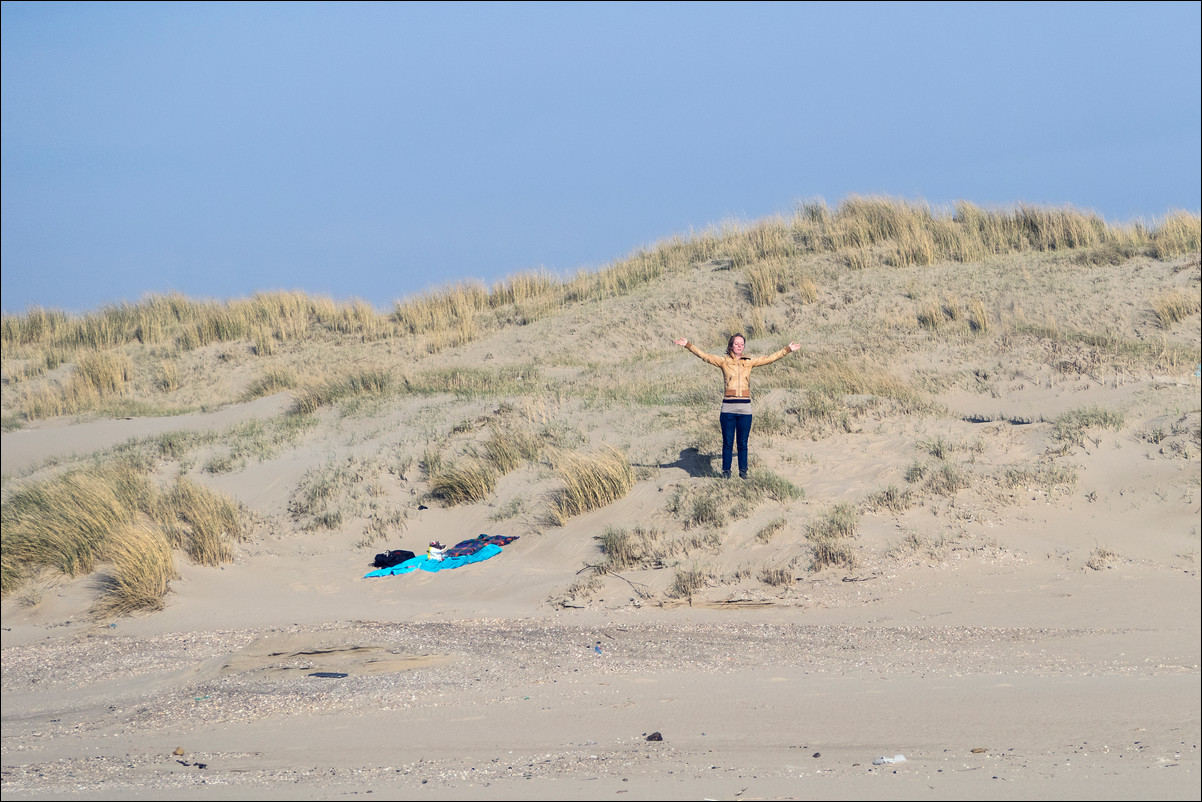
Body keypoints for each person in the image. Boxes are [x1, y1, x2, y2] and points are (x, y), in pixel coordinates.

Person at [673, 333, 801, 479]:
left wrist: (787, 350)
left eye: (742, 344)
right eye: (736, 343)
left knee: (743, 443)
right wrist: (688, 345)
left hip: (745, 409)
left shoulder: (749, 361)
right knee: (727, 442)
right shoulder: (723, 361)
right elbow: (705, 356)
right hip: (728, 408)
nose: (740, 346)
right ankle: (726, 472)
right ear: (731, 346)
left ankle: (743, 472)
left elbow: (769, 359)